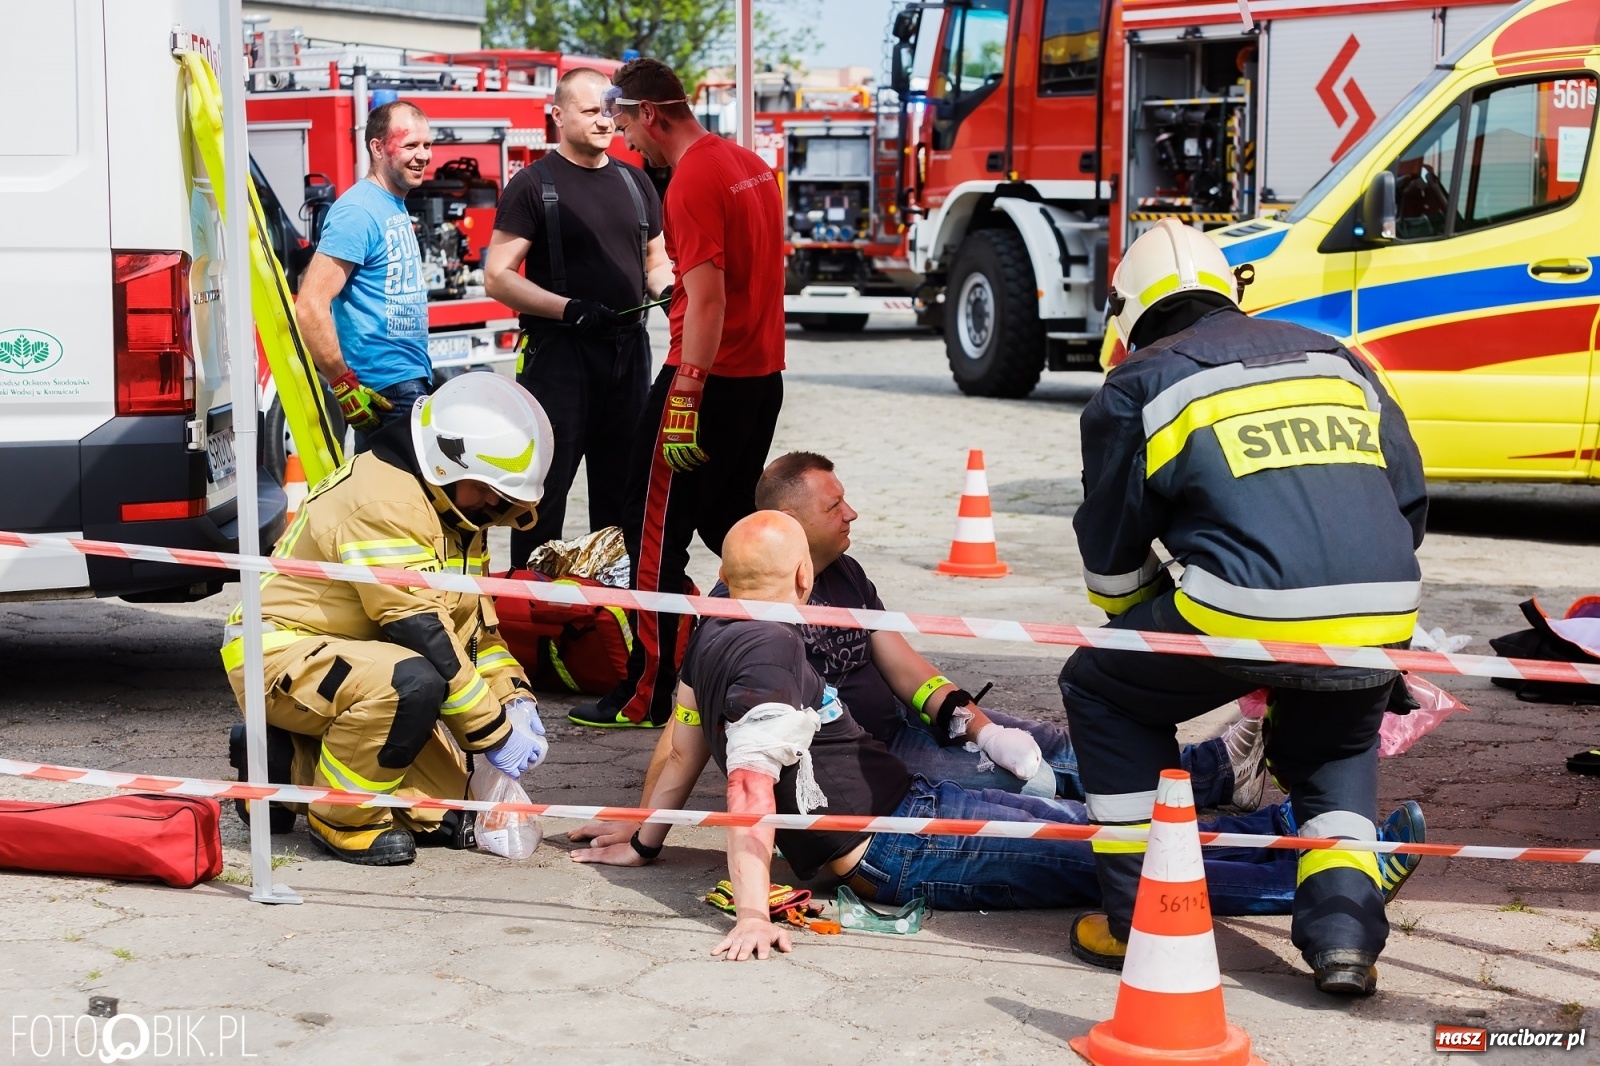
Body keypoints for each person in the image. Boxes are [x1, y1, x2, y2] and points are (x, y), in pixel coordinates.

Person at [570, 512, 1353, 961]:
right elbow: (745, 787)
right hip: (894, 845)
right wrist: (748, 914)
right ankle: (1317, 871)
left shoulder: (714, 629)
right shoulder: (773, 650)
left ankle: (1293, 836)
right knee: (1100, 853)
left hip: (910, 805)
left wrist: (642, 842)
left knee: (1102, 829)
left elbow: (680, 745)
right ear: (804, 578)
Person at [1058, 218, 1430, 996]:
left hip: (1241, 608)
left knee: (1100, 685)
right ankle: (1344, 939)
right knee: (1333, 754)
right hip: (1382, 610)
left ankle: (1141, 915)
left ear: (1125, 314)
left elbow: (1114, 564)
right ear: (1231, 293)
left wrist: (1162, 609)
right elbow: (1406, 497)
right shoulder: (1336, 358)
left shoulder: (1139, 383)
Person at [743, 450, 1267, 808]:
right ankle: (1217, 775)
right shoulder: (750, 610)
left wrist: (978, 726)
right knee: (1045, 782)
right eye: (834, 506)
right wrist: (657, 830)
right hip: (872, 757)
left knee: (1055, 745)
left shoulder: (847, 573)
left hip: (910, 722)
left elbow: (905, 668)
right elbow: (697, 715)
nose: (852, 513)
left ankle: (1216, 769)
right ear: (789, 521)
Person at [220, 373, 556, 866]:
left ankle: (278, 764)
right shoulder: (384, 500)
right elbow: (419, 627)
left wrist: (514, 699)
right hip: (277, 651)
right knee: (412, 685)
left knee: (448, 815)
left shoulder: (455, 512)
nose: (496, 508)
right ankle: (342, 821)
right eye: (490, 494)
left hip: (357, 658)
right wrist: (494, 732)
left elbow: (474, 631)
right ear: (447, 463)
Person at [567, 58, 786, 729]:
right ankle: (811, 627)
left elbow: (713, 298)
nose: (623, 135)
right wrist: (677, 295)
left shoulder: (689, 180)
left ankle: (649, 692)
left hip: (707, 383)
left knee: (650, 530)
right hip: (758, 380)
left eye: (626, 121)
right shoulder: (746, 163)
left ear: (652, 114)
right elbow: (740, 278)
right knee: (731, 526)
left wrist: (686, 393)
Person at [484, 68, 674, 563]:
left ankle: (611, 620)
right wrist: (568, 309)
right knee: (541, 502)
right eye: (590, 111)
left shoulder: (636, 183)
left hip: (628, 356)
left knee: (621, 500)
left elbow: (655, 260)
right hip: (560, 360)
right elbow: (498, 275)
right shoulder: (531, 185)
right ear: (558, 115)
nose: (605, 121)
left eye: (610, 110)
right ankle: (533, 613)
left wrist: (671, 289)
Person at [296, 100, 434, 447]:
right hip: (387, 392)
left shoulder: (392, 204)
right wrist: (342, 383)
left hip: (407, 384)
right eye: (410, 145)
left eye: (427, 145)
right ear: (377, 147)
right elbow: (310, 305)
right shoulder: (357, 211)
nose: (423, 155)